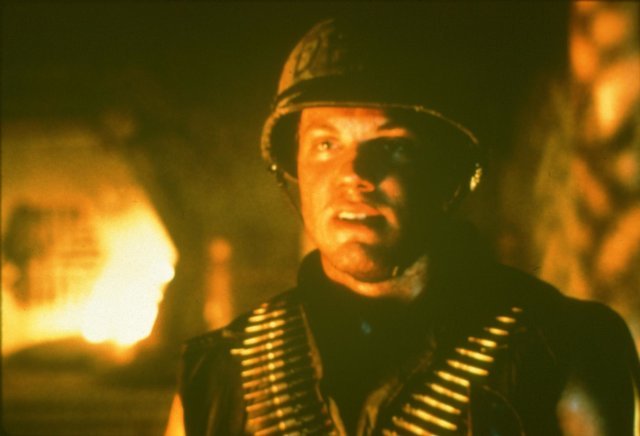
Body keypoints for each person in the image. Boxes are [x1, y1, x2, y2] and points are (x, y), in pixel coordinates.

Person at [168, 18, 640, 435]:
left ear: (449, 174)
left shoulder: (564, 348)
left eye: (393, 146)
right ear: (294, 168)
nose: (355, 175)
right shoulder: (218, 376)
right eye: (326, 145)